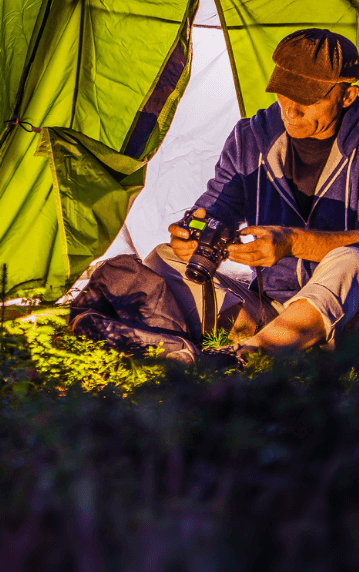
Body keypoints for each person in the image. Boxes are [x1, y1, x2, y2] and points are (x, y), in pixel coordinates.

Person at [149, 28, 359, 362]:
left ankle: (253, 355)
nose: (291, 109)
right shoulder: (251, 137)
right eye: (284, 92)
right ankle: (272, 340)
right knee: (164, 258)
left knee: (352, 260)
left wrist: (293, 243)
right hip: (268, 309)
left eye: (308, 97)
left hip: (347, 316)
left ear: (347, 96)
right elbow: (219, 208)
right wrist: (196, 234)